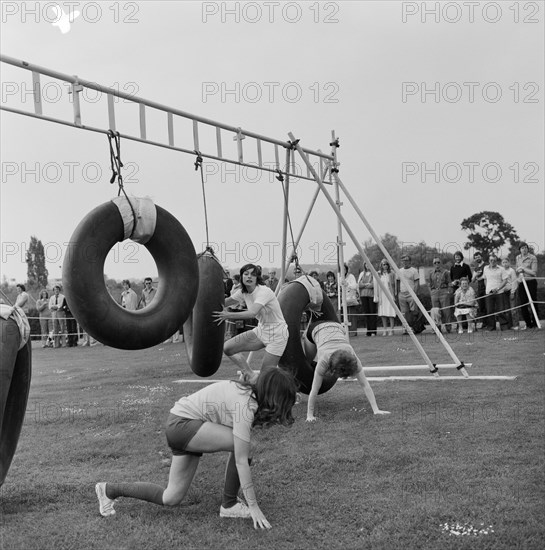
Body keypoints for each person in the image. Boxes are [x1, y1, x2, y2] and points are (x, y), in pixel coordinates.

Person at [95, 368, 297, 529]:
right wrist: (253, 506)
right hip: (183, 425)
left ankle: (109, 490)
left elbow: (263, 375)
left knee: (171, 497)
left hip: (182, 424)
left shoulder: (253, 388)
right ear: (272, 396)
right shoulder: (245, 405)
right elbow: (241, 460)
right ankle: (229, 505)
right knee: (244, 447)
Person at [303, 318, 390, 421]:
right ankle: (305, 332)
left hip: (336, 326)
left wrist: (376, 410)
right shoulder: (323, 361)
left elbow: (365, 384)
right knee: (307, 361)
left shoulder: (353, 357)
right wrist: (309, 415)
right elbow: (315, 389)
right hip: (316, 328)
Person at [213, 264, 289, 381]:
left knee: (265, 377)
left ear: (257, 278)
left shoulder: (264, 291)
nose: (249, 277)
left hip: (278, 334)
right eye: (246, 274)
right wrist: (206, 299)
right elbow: (224, 303)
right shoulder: (243, 292)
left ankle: (292, 395)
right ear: (242, 276)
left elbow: (252, 313)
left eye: (253, 275)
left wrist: (228, 315)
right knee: (228, 348)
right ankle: (250, 374)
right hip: (261, 330)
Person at [483, 254, 509, 331]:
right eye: (491, 260)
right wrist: (487, 288)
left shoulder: (501, 269)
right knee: (489, 311)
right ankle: (491, 327)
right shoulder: (485, 268)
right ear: (489, 261)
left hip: (499, 292)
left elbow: (505, 280)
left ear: (496, 261)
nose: (492, 262)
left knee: (501, 310)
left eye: (494, 260)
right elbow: (485, 279)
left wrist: (497, 288)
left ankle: (504, 326)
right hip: (489, 293)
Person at [515, 242, 538, 329]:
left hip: (531, 282)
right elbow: (517, 270)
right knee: (523, 304)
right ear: (520, 250)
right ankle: (528, 324)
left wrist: (523, 269)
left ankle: (535, 322)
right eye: (522, 248)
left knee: (533, 302)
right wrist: (518, 275)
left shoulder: (533, 258)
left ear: (528, 249)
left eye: (525, 248)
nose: (524, 250)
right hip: (522, 283)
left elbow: (534, 273)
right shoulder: (518, 258)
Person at [427, 258, 452, 333]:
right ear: (433, 264)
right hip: (434, 292)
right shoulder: (431, 273)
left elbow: (449, 283)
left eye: (438, 262)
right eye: (435, 263)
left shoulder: (446, 272)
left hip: (443, 291)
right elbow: (429, 284)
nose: (437, 264)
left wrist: (448, 291)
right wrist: (431, 292)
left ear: (441, 263)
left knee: (446, 310)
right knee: (435, 311)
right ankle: (437, 328)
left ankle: (448, 327)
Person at [374, 260, 396, 336]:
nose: (385, 266)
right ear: (381, 265)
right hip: (382, 295)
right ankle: (385, 330)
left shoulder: (392, 273)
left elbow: (394, 285)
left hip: (390, 294)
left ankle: (392, 330)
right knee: (383, 313)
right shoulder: (379, 274)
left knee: (391, 312)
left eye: (386, 264)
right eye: (383, 264)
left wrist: (394, 295)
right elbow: (376, 285)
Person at [396, 256, 420, 326]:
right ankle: (405, 328)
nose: (405, 262)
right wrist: (398, 293)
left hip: (411, 294)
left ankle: (414, 327)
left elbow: (416, 282)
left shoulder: (414, 270)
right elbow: (397, 283)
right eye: (403, 261)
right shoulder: (399, 271)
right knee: (404, 312)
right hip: (402, 294)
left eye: (406, 260)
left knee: (414, 312)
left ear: (410, 261)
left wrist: (414, 293)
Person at [358, 263, 377, 336]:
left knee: (372, 312)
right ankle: (368, 331)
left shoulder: (374, 274)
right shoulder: (362, 274)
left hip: (372, 296)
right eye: (366, 264)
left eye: (369, 264)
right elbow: (359, 284)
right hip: (363, 295)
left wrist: (365, 285)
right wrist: (366, 284)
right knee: (366, 313)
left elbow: (373, 284)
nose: (367, 266)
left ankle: (373, 331)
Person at [342, 264, 359, 337]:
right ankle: (347, 331)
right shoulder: (340, 277)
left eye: (344, 269)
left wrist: (347, 284)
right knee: (346, 316)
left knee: (352, 316)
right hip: (344, 299)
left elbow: (355, 286)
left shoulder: (351, 276)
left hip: (351, 299)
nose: (343, 271)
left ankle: (353, 332)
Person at [471, 251, 487, 328]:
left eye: (478, 257)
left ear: (481, 257)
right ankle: (484, 323)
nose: (477, 258)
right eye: (476, 257)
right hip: (479, 288)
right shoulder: (476, 268)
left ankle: (490, 323)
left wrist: (478, 277)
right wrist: (476, 276)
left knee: (488, 305)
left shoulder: (486, 265)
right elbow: (473, 280)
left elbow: (485, 276)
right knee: (482, 306)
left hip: (487, 287)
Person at [501, 258, 518, 330]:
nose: (505, 264)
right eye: (503, 262)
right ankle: (509, 325)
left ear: (509, 263)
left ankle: (516, 325)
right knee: (507, 309)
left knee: (513, 309)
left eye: (506, 262)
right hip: (504, 292)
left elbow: (514, 282)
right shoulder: (501, 270)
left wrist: (512, 292)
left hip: (511, 290)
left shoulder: (512, 271)